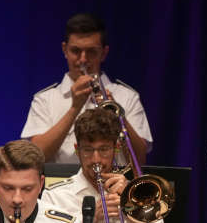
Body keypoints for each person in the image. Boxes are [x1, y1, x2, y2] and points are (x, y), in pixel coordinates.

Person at [21, 12, 153, 165]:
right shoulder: (45, 99)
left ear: (104, 53)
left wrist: (117, 116)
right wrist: (74, 109)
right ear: (65, 50)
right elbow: (36, 157)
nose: (83, 59)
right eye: (76, 51)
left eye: (91, 51)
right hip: (59, 186)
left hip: (115, 185)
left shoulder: (127, 97)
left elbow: (140, 159)